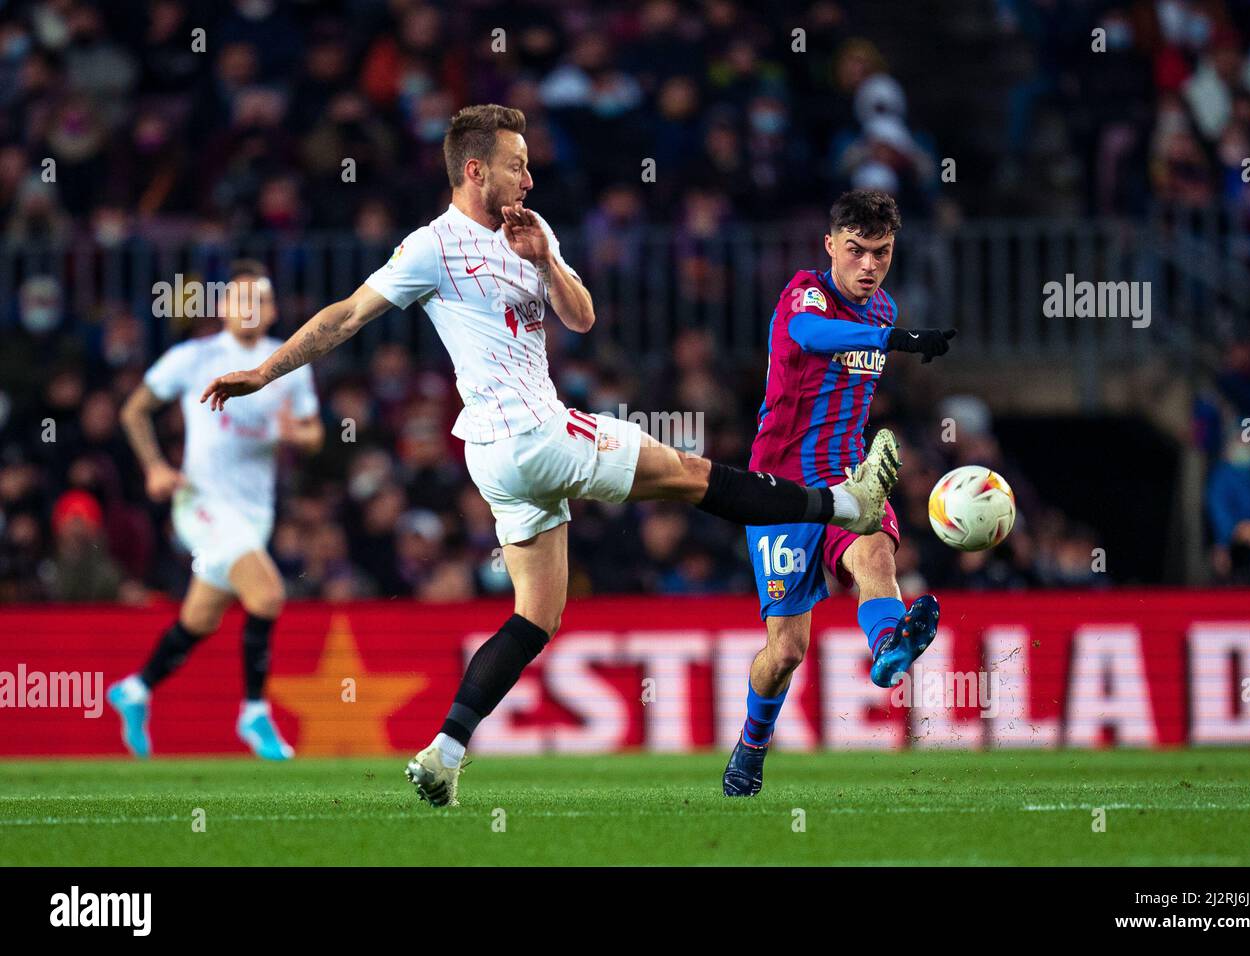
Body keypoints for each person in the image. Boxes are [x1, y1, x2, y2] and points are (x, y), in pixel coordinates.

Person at [197, 105, 913, 806]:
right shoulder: (431, 246)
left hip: (497, 460)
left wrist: (544, 258)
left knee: (536, 615)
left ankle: (444, 753)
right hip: (535, 435)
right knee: (693, 475)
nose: (530, 178)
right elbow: (346, 315)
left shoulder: (529, 233)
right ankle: (842, 504)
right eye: (517, 165)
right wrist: (265, 372)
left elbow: (582, 315)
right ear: (476, 171)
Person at [723, 189, 955, 797]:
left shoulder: (882, 307)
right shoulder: (806, 292)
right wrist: (899, 341)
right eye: (856, 251)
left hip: (848, 478)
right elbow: (809, 333)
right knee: (787, 650)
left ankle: (887, 648)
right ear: (831, 247)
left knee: (876, 553)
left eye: (881, 252)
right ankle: (750, 749)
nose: (869, 265)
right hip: (779, 487)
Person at [107, 261, 323, 759]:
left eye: (261, 300)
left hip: (254, 512)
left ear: (271, 310)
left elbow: (314, 434)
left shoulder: (289, 362)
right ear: (224, 307)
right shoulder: (193, 357)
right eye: (241, 299)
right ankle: (254, 715)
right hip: (200, 504)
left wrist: (297, 435)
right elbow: (133, 410)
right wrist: (155, 467)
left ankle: (134, 690)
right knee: (267, 595)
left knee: (200, 619)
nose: (251, 309)